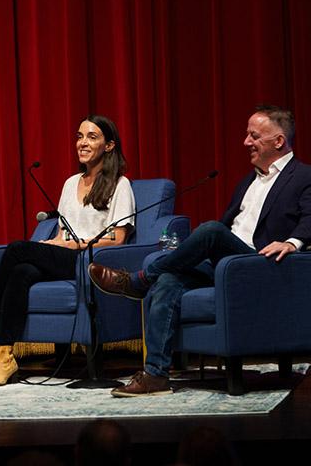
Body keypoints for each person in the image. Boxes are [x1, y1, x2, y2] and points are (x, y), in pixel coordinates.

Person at [90, 105, 311, 397]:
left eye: (254, 136)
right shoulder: (249, 181)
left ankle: (138, 280)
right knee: (168, 280)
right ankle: (156, 375)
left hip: (258, 264)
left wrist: (292, 242)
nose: (246, 142)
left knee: (209, 230)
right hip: (224, 264)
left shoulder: (303, 176)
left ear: (278, 141)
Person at [0, 115, 135, 386]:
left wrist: (71, 245)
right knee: (21, 270)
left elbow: (118, 240)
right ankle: (4, 355)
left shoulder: (120, 185)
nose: (83, 143)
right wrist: (52, 244)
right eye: (79, 136)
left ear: (109, 145)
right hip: (65, 255)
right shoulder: (70, 183)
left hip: (89, 261)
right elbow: (62, 232)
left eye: (92, 137)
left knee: (19, 249)